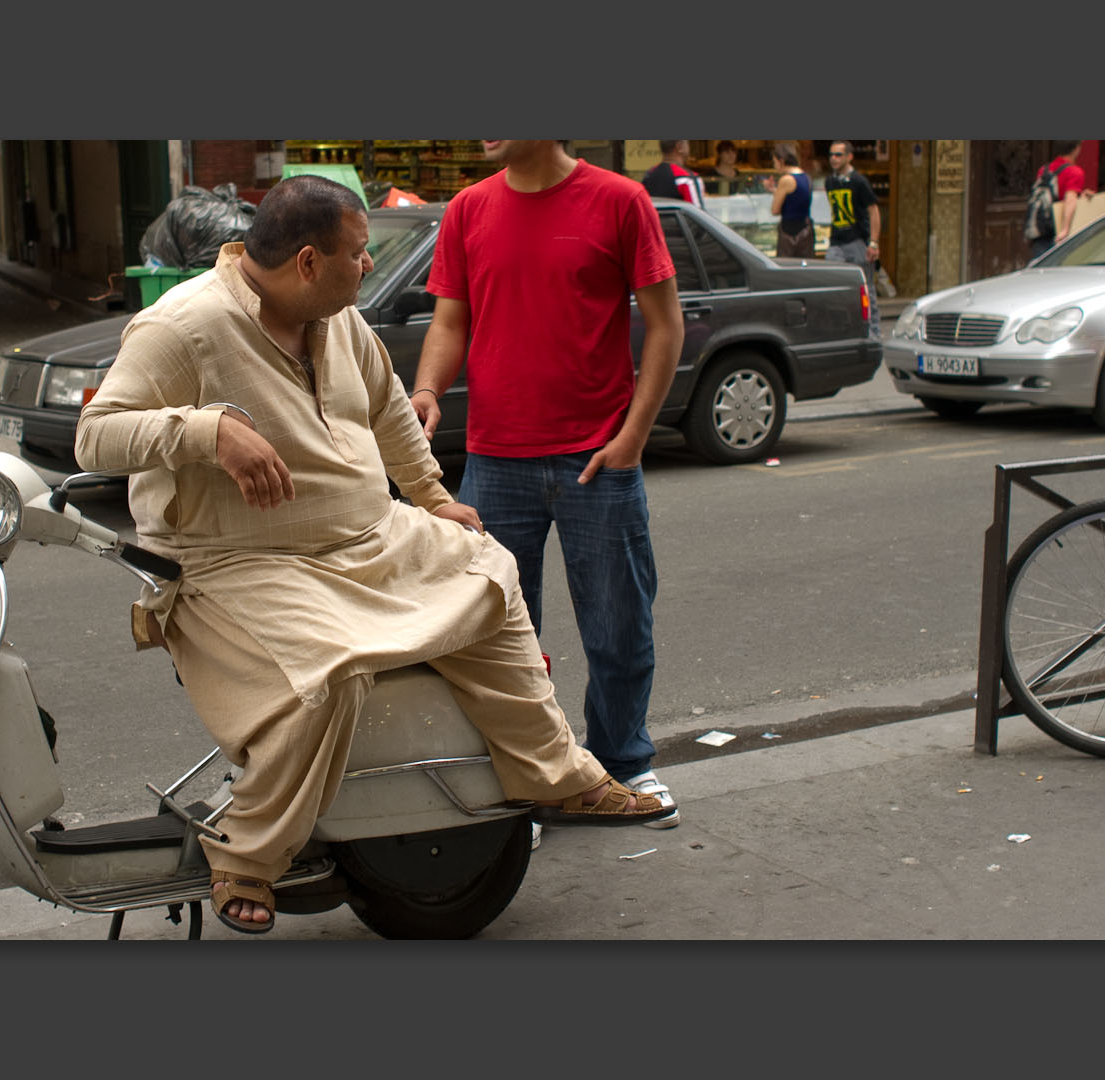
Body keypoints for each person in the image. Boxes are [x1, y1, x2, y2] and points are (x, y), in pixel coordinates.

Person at [72, 175, 669, 934]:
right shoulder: (183, 327)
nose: (369, 269)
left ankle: (556, 776)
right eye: (360, 255)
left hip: (368, 536)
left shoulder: (338, 317)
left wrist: (431, 497)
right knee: (323, 681)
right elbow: (98, 435)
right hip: (243, 562)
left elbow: (388, 407)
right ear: (311, 262)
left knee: (490, 573)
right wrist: (206, 432)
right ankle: (248, 856)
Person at [411, 139, 686, 833]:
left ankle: (621, 763)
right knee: (498, 638)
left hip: (598, 457)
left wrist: (633, 434)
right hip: (495, 459)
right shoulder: (469, 209)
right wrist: (426, 390)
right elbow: (451, 320)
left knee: (619, 624)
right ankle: (527, 780)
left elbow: (665, 324)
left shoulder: (620, 201)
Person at [822, 141, 881, 328]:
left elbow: (873, 210)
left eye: (838, 155)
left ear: (849, 156)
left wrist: (873, 242)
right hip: (836, 241)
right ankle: (842, 329)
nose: (833, 158)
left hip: (857, 240)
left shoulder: (859, 181)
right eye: (831, 155)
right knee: (834, 286)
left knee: (865, 288)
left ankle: (873, 332)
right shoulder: (830, 181)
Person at [769, 145, 814, 257]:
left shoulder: (786, 180)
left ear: (782, 161)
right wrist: (775, 190)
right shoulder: (806, 176)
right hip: (805, 230)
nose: (774, 167)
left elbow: (775, 210)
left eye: (775, 162)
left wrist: (777, 192)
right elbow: (794, 199)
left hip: (789, 233)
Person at [641, 139, 706, 207]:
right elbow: (697, 213)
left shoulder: (649, 174)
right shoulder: (687, 179)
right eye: (687, 144)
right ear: (679, 147)